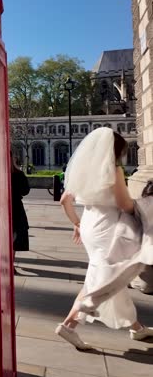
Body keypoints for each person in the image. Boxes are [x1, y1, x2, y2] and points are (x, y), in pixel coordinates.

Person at [56, 127, 153, 349]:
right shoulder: (113, 169)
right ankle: (68, 325)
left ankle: (137, 328)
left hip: (90, 225)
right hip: (110, 229)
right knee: (102, 279)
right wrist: (143, 209)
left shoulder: (83, 170)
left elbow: (64, 200)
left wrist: (77, 224)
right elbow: (125, 204)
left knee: (110, 276)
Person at [11, 156, 30, 257]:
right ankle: (11, 263)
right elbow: (25, 191)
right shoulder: (19, 174)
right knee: (14, 234)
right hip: (16, 206)